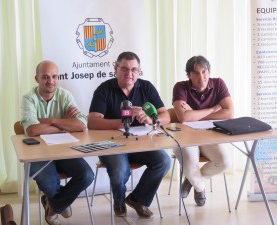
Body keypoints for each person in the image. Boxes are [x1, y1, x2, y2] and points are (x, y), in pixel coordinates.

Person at [88, 51, 171, 218]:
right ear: (115, 69)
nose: (129, 73)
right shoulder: (104, 89)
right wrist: (124, 120)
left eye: (134, 70)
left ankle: (138, 199)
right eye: (124, 69)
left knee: (163, 161)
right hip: (111, 144)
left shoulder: (146, 87)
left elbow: (166, 116)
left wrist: (149, 119)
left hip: (140, 142)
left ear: (139, 71)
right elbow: (92, 122)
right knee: (120, 171)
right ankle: (119, 202)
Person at [21, 60, 94, 225]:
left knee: (87, 175)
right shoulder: (28, 98)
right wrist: (64, 125)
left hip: (64, 150)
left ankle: (54, 205)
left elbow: (81, 125)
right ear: (36, 78)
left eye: (54, 76)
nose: (50, 81)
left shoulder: (65, 95)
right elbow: (32, 130)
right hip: (37, 153)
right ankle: (61, 202)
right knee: (49, 182)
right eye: (45, 77)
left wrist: (51, 121)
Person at [172, 55, 234, 206]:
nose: (201, 77)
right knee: (190, 164)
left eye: (204, 71)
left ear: (209, 71)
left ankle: (192, 180)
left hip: (209, 134)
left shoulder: (218, 83)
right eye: (196, 73)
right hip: (184, 136)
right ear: (189, 75)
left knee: (224, 161)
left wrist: (194, 114)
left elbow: (230, 113)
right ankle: (199, 187)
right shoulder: (180, 87)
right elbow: (184, 118)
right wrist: (212, 109)